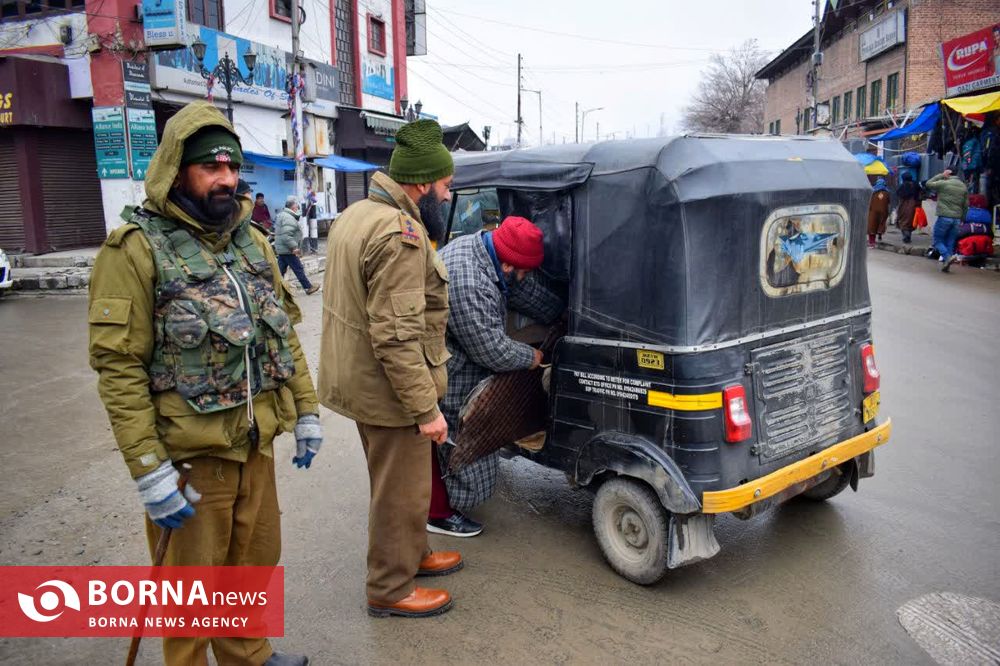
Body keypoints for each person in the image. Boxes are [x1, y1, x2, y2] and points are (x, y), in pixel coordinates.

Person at [88, 101, 321, 666]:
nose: (227, 180)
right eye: (211, 168)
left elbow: (280, 333)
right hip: (191, 458)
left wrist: (306, 409)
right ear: (177, 171)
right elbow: (118, 368)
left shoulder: (251, 241)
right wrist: (149, 471)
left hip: (255, 444)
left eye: (232, 168)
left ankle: (247, 652)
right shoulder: (135, 250)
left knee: (253, 564)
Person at [317, 119, 461, 619]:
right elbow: (396, 335)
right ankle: (390, 586)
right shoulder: (399, 234)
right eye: (444, 187)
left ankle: (413, 555)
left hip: (361, 382)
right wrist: (426, 408)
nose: (447, 198)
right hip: (390, 391)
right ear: (421, 185)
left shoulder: (360, 213)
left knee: (406, 484)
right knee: (399, 491)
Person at [430, 216, 565, 537]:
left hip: (464, 351)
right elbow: (490, 350)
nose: (523, 277)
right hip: (453, 367)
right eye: (521, 271)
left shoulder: (490, 250)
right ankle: (439, 509)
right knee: (466, 445)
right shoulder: (469, 281)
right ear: (506, 266)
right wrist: (532, 357)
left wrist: (564, 311)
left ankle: (440, 487)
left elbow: (525, 291)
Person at [925, 169, 970, 272]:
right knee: (950, 242)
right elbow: (966, 205)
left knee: (937, 240)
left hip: (944, 216)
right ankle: (946, 265)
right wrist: (963, 218)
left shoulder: (943, 183)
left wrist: (941, 175)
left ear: (948, 173)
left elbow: (928, 184)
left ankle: (947, 257)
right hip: (957, 219)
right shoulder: (963, 186)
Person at [274, 196, 320, 294]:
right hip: (288, 249)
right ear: (293, 206)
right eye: (297, 205)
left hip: (283, 249)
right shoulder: (288, 218)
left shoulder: (283, 215)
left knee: (280, 270)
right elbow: (287, 235)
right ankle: (308, 287)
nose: (298, 207)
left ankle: (274, 289)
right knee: (298, 268)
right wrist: (294, 247)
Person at [895, 172, 921, 244]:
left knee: (903, 220)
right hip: (914, 205)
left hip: (903, 205)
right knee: (911, 221)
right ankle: (908, 236)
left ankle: (906, 236)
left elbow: (898, 194)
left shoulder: (902, 186)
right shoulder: (916, 185)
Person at [867, 177, 890, 248]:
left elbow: (868, 201)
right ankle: (880, 233)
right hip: (883, 211)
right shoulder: (887, 192)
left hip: (873, 211)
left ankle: (872, 243)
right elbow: (889, 202)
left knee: (872, 226)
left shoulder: (872, 191)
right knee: (881, 223)